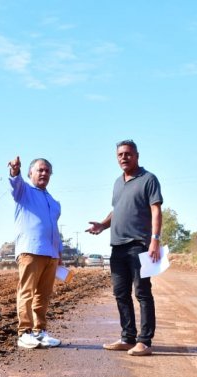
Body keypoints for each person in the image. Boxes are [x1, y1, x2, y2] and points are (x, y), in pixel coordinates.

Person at [86, 139, 163, 356]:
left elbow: (155, 210)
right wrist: (103, 224)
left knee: (142, 293)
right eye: (120, 154)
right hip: (117, 247)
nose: (124, 157)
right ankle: (128, 337)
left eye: (128, 154)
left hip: (139, 245)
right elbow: (117, 210)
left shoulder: (148, 179)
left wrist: (155, 239)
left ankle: (145, 341)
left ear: (137, 155)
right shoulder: (117, 183)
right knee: (120, 293)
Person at [8, 155, 62, 349]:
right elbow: (15, 182)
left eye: (47, 171)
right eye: (40, 170)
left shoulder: (54, 202)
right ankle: (24, 332)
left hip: (51, 254)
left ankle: (40, 331)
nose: (44, 173)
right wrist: (15, 171)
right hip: (31, 250)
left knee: (43, 295)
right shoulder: (24, 192)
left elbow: (54, 228)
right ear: (30, 173)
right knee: (27, 292)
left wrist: (60, 253)